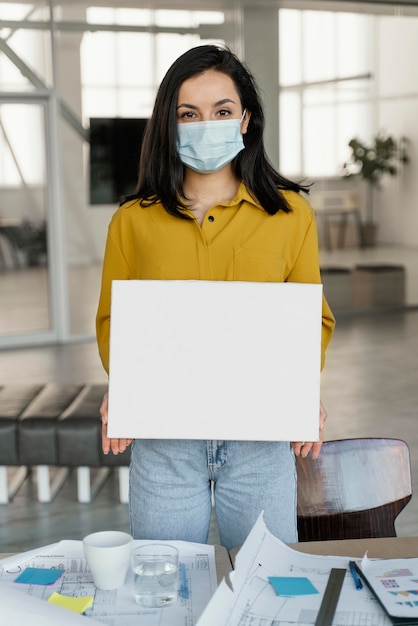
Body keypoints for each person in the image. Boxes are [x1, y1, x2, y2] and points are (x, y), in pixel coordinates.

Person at [96, 44, 335, 552]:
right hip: (166, 441)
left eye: (222, 111)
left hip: (260, 441)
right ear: (169, 124)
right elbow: (114, 321)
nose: (207, 124)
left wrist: (298, 390)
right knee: (162, 584)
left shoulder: (292, 216)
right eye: (189, 114)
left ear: (245, 119)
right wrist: (126, 383)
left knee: (267, 584)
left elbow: (312, 320)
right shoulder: (132, 222)